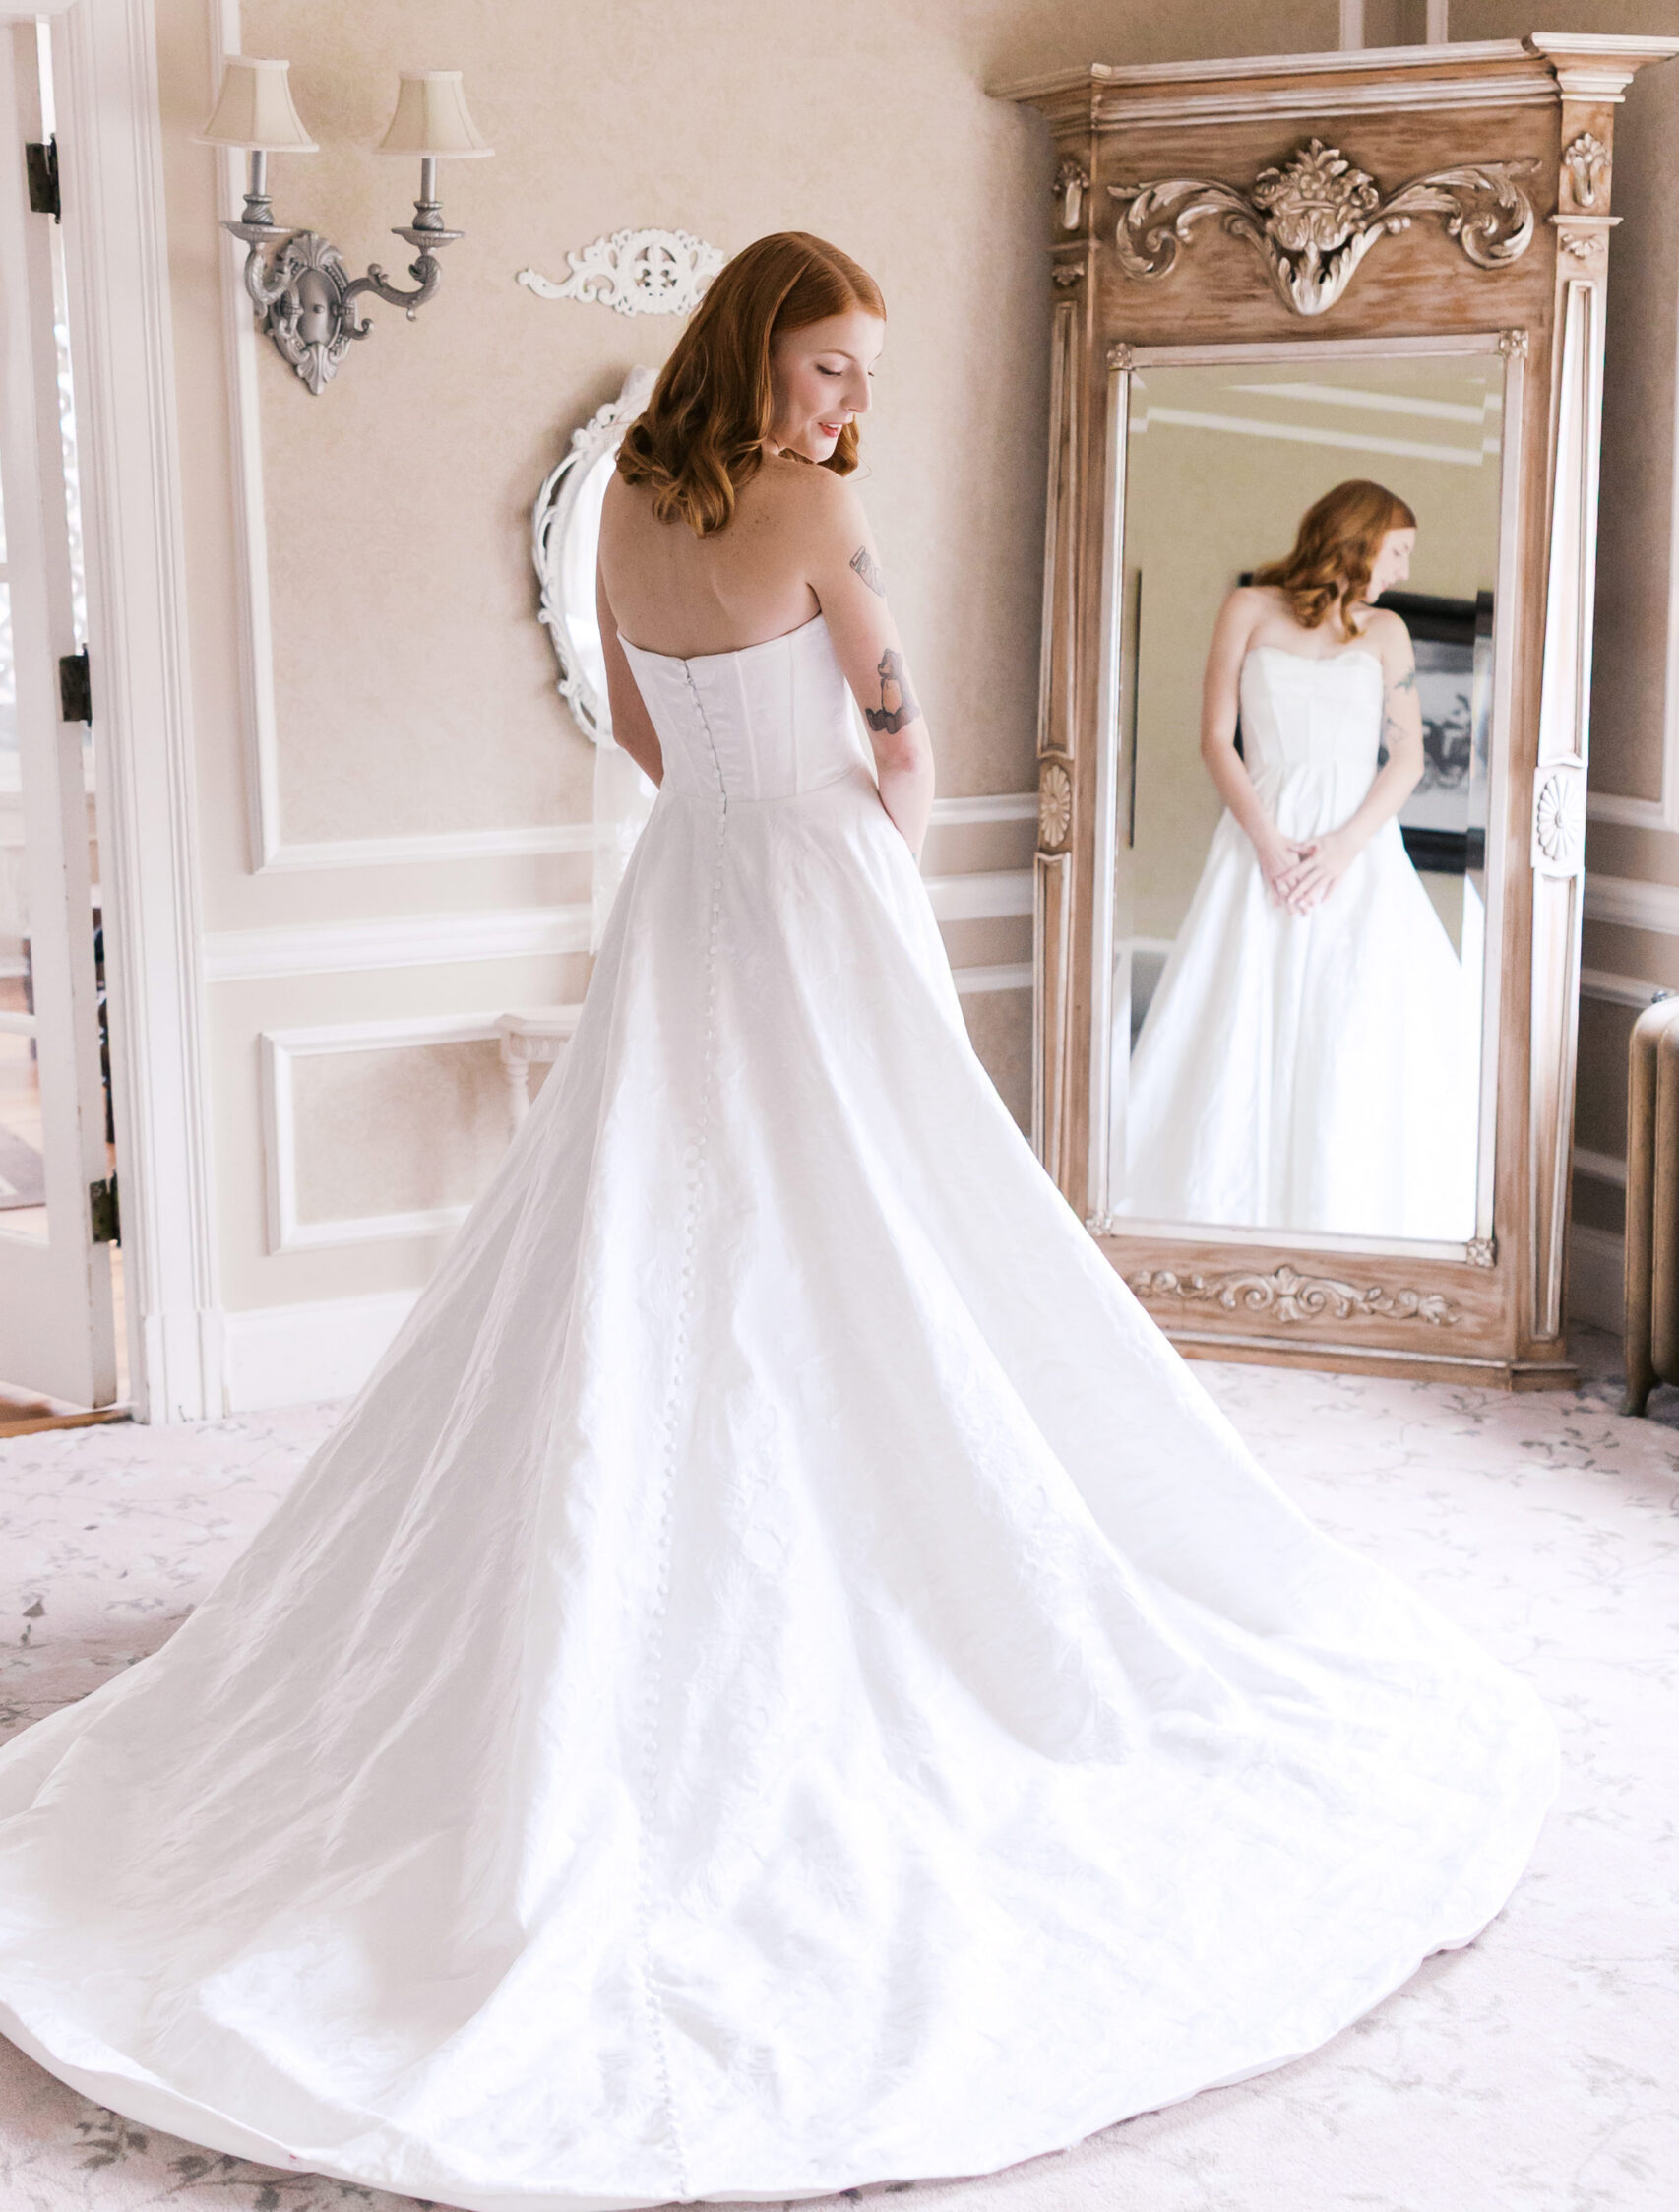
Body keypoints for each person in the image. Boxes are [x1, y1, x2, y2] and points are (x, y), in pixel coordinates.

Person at [0, 244, 1553, 2212]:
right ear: (763, 345)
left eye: (859, 374)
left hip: (689, 884)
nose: (844, 404)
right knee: (879, 1216)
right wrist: (870, 835)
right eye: (831, 364)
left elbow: (647, 741)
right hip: (813, 881)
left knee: (662, 1220)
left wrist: (755, 804)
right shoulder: (806, 500)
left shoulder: (636, 501)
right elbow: (900, 738)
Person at [1116, 480, 1482, 1240]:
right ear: (1358, 537)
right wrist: (1268, 845)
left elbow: (1409, 758)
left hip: (1358, 853)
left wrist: (1344, 848)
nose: (1406, 570)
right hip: (1259, 843)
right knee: (1239, 1019)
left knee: (1352, 1026)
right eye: (1400, 550)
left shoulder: (1386, 633)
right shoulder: (1249, 609)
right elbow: (1217, 739)